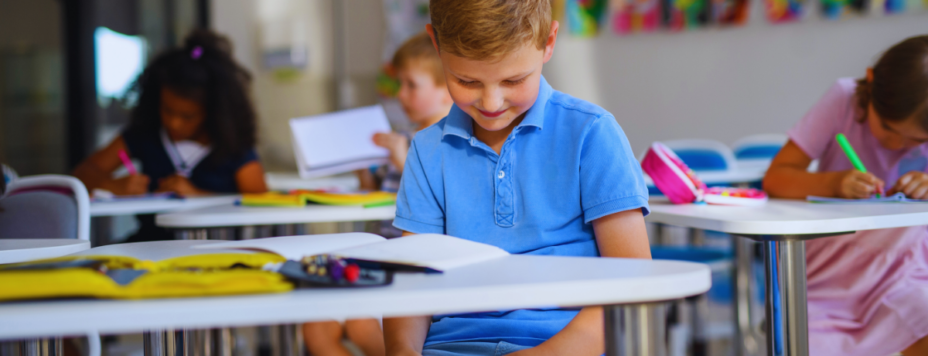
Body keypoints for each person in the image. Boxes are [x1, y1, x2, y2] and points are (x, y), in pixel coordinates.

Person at [384, 1, 652, 355]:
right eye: (466, 81)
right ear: (436, 45)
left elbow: (632, 282)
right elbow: (411, 283)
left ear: (549, 41)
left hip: (566, 347)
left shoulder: (591, 134)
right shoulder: (427, 149)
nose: (491, 102)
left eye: (513, 80)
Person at [764, 35, 928, 356]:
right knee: (815, 341)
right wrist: (833, 184)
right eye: (888, 129)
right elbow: (776, 178)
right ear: (870, 83)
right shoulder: (844, 100)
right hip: (831, 273)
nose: (896, 145)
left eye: (914, 141)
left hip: (905, 267)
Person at [303, 31, 454, 356]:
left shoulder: (448, 146)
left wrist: (404, 161)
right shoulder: (399, 137)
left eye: (412, 85)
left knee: (359, 325)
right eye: (399, 84)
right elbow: (376, 198)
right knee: (315, 327)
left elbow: (439, 210)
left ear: (447, 89)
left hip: (405, 269)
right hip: (374, 258)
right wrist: (364, 171)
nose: (401, 94)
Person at [73, 29, 268, 241]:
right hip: (151, 245)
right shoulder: (145, 135)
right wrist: (112, 185)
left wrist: (198, 196)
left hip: (217, 249)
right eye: (167, 110)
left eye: (188, 116)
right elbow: (82, 174)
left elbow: (262, 203)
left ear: (213, 113)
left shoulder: (233, 145)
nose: (174, 122)